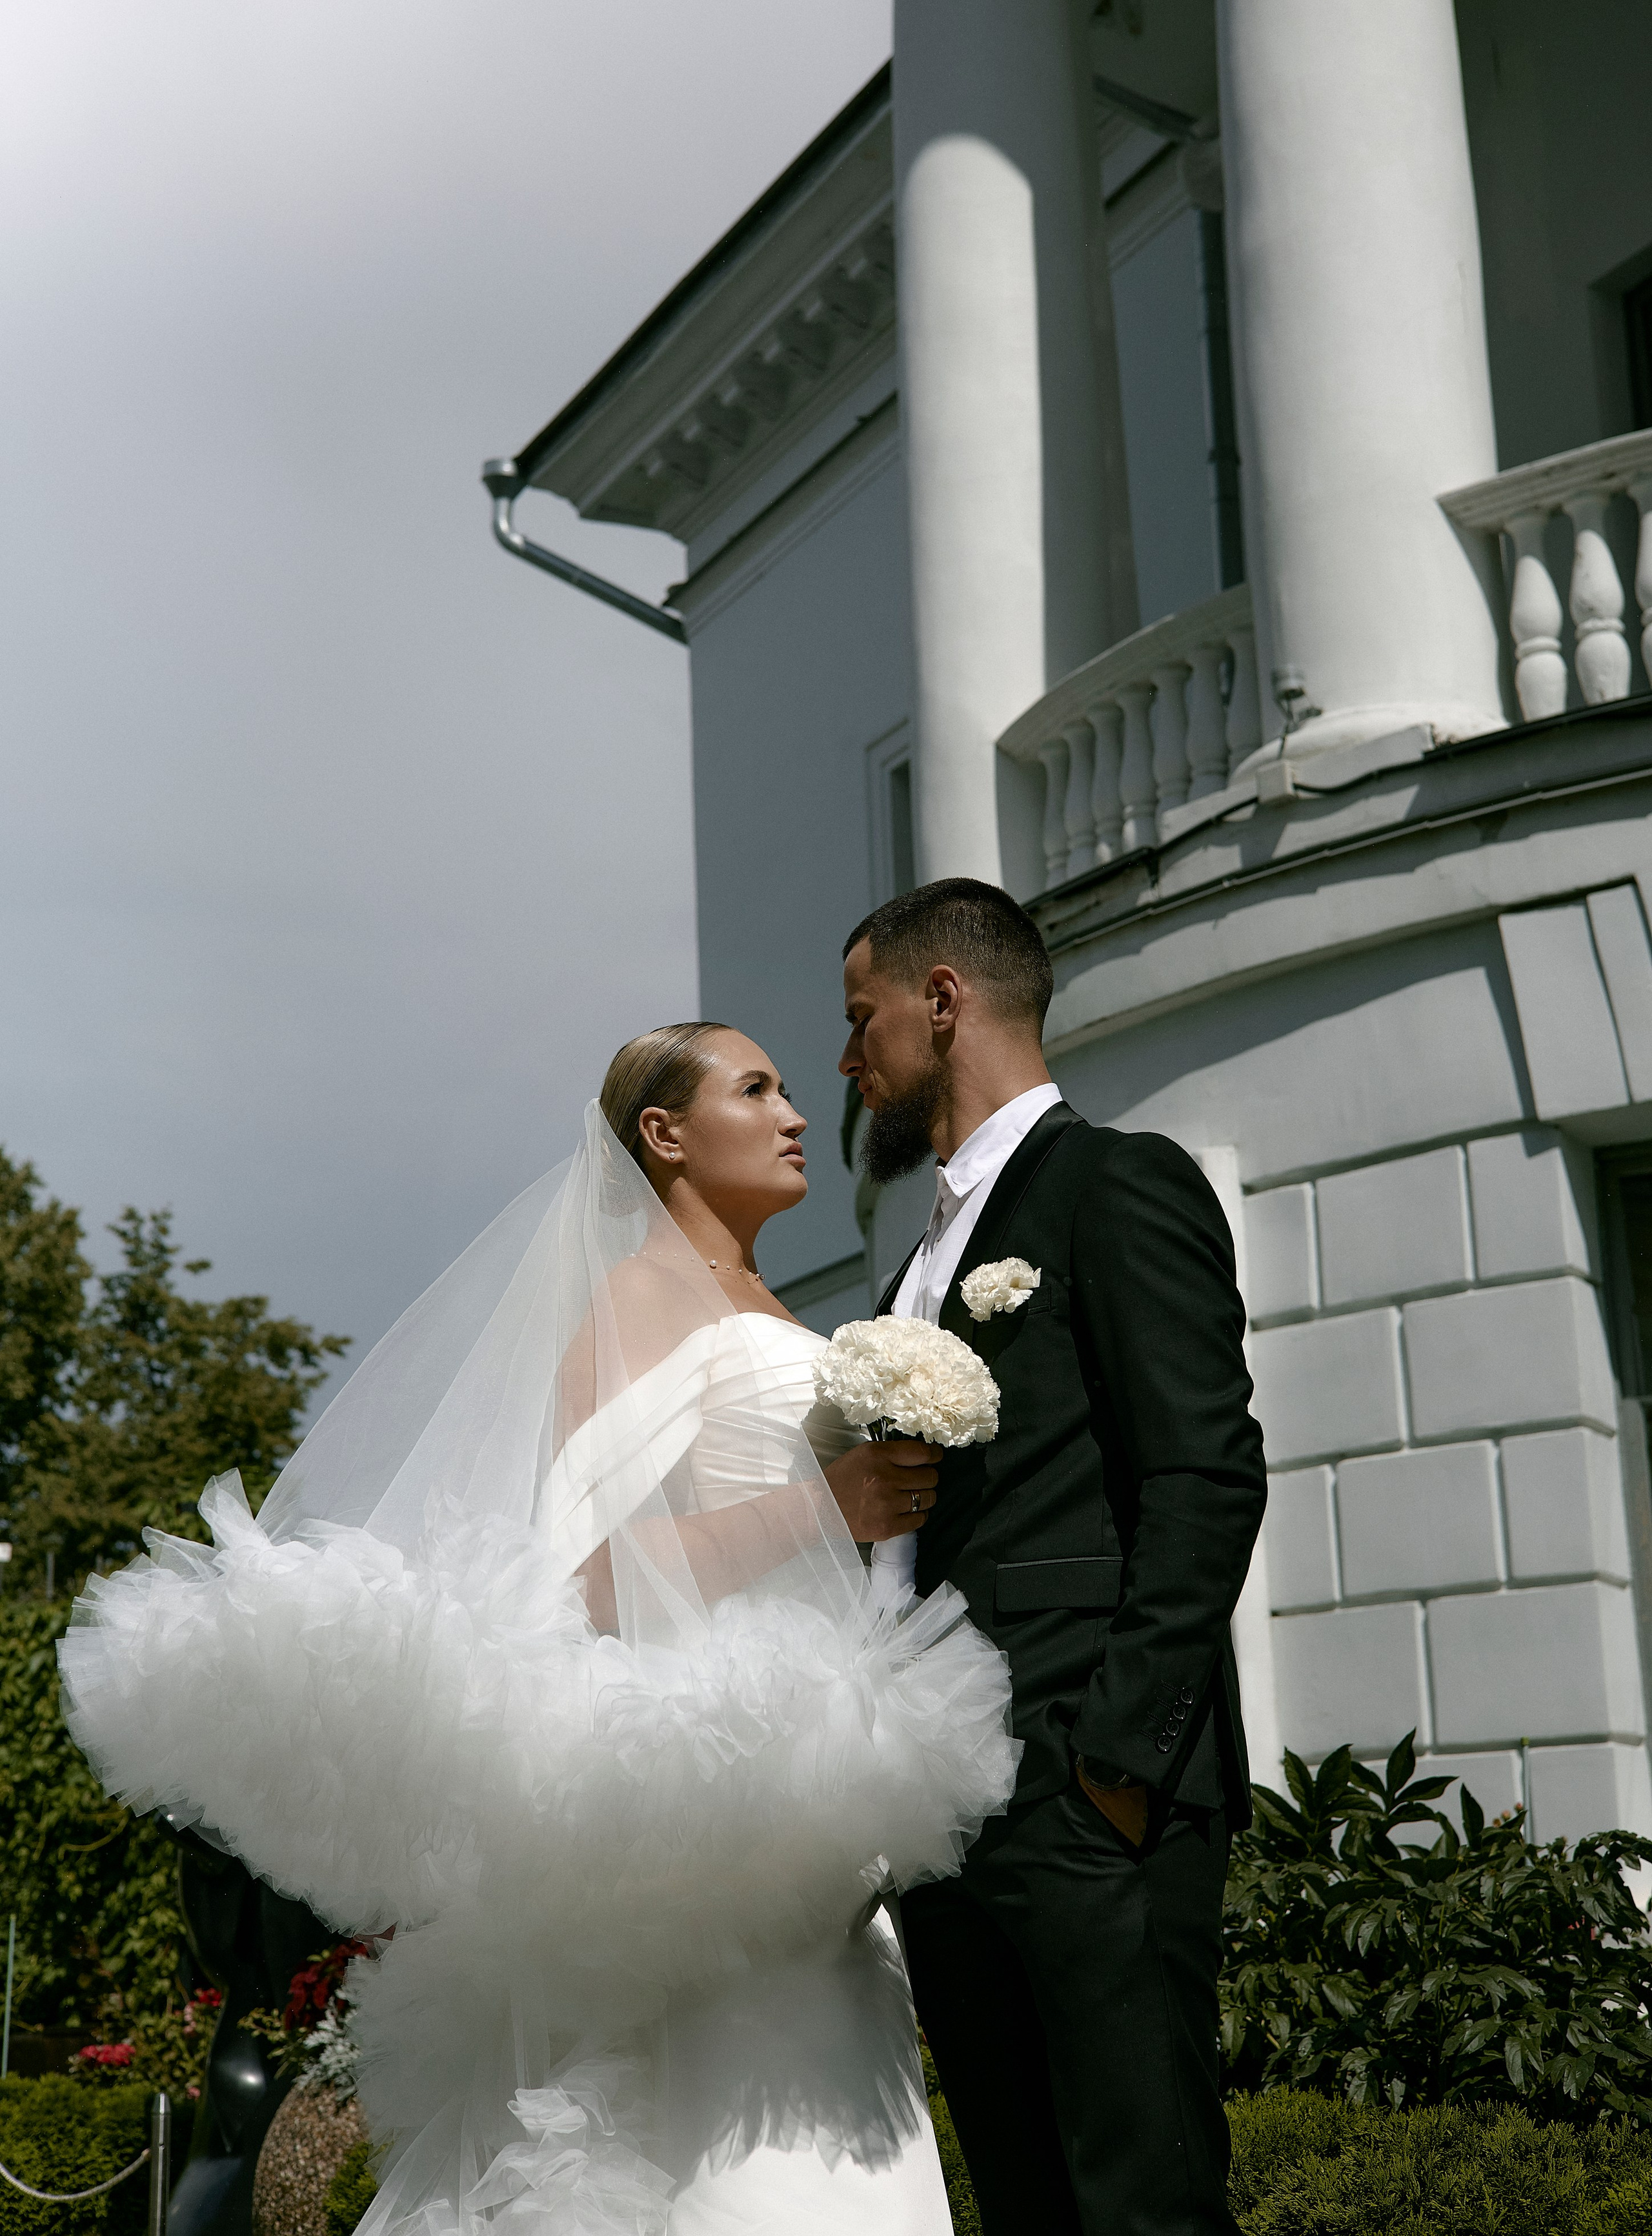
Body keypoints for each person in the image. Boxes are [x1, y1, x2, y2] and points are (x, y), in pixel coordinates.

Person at [60, 1022, 1019, 2236]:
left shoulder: (755, 1297)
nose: (793, 1114)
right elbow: (587, 1572)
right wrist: (820, 1507)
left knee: (831, 2108)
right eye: (756, 1088)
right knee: (739, 2143)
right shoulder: (643, 1298)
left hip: (811, 1790)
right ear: (664, 1136)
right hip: (711, 1804)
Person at [836, 877, 1267, 2236]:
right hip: (945, 1810)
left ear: (942, 998)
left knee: (1138, 2203)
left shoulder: (1113, 1179)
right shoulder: (914, 1260)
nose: (850, 1061)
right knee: (1024, 2206)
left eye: (863, 1020)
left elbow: (1203, 1475)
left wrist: (1113, 1768)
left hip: (1083, 1796)